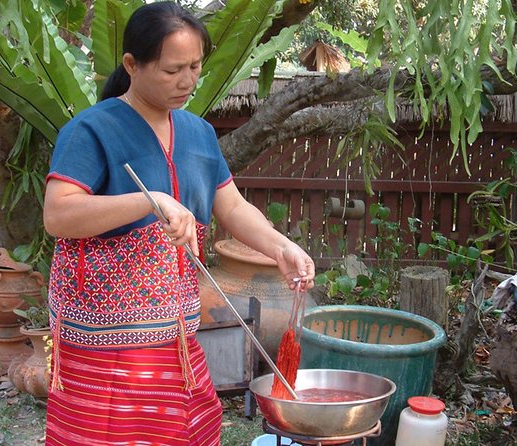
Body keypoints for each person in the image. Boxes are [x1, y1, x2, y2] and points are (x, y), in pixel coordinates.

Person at [42, 2, 315, 445]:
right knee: (107, 433)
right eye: (173, 70)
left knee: (184, 426)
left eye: (195, 67)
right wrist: (150, 201)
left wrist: (280, 246)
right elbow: (58, 215)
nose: (187, 81)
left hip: (175, 327)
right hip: (104, 335)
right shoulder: (90, 130)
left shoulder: (197, 133)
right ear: (132, 65)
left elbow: (232, 207)